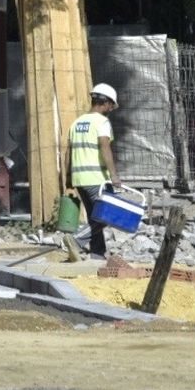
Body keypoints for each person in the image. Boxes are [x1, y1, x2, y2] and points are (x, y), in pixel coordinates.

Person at [66, 83, 121, 260]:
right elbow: (105, 148)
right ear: (105, 103)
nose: (111, 109)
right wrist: (114, 175)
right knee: (108, 216)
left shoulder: (76, 123)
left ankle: (97, 254)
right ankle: (76, 241)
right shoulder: (102, 122)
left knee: (94, 218)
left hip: (79, 179)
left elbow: (68, 152)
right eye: (111, 105)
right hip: (96, 178)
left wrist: (68, 178)